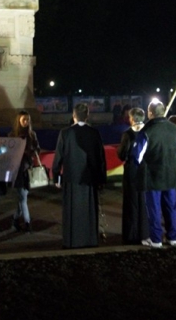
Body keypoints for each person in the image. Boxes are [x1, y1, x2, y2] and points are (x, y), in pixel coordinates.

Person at [52, 103, 107, 248]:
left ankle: (72, 240)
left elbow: (59, 156)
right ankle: (89, 239)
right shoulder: (94, 133)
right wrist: (101, 179)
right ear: (87, 115)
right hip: (90, 179)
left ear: (73, 115)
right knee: (89, 210)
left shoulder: (65, 133)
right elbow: (101, 157)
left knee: (72, 211)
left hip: (71, 178)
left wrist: (56, 176)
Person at [131, 100, 176, 248]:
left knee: (154, 209)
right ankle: (173, 237)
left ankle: (156, 239)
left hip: (152, 177)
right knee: (171, 207)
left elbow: (137, 156)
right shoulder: (175, 130)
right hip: (170, 175)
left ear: (150, 113)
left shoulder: (146, 131)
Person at [116, 107, 148, 244]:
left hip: (132, 171)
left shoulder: (128, 134)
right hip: (147, 170)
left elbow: (122, 154)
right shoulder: (148, 132)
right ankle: (145, 233)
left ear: (132, 119)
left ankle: (131, 234)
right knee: (145, 202)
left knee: (132, 202)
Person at [8, 110, 41, 233]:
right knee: (23, 199)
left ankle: (15, 220)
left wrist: (32, 151)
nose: (26, 122)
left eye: (28, 120)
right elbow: (7, 151)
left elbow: (38, 149)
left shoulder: (32, 135)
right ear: (19, 121)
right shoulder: (12, 135)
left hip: (28, 169)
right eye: (24, 120)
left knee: (22, 198)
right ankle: (27, 223)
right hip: (17, 171)